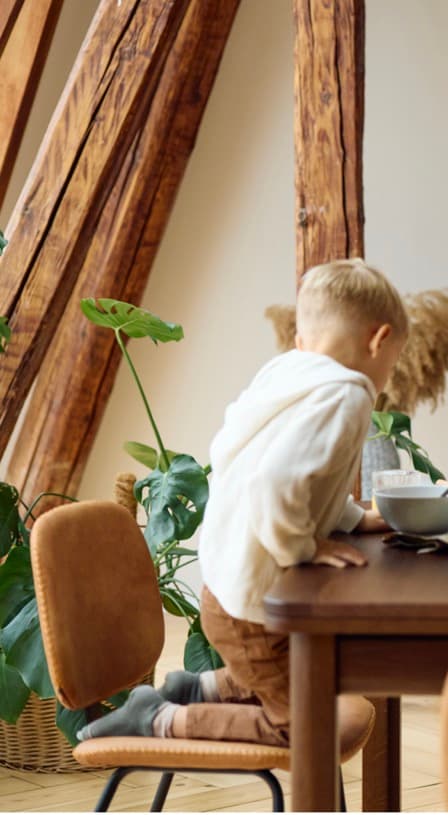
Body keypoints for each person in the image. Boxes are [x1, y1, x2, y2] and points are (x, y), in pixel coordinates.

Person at [77, 258, 408, 746]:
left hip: (229, 586)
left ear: (302, 340)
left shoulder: (287, 374)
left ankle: (197, 688)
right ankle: (155, 719)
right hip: (255, 608)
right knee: (307, 728)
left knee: (293, 670)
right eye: (394, 361)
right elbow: (275, 481)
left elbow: (306, 480)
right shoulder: (347, 394)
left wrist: (355, 520)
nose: (387, 374)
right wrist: (303, 547)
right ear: (379, 340)